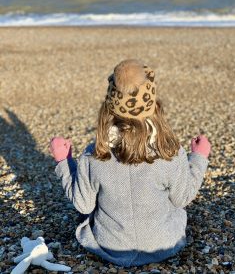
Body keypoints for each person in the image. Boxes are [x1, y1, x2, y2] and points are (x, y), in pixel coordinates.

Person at [49, 59, 211, 267]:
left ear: (109, 109)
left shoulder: (94, 154)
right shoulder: (169, 151)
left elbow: (83, 204)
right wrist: (199, 157)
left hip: (109, 245)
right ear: (154, 107)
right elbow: (182, 198)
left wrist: (64, 162)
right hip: (164, 244)